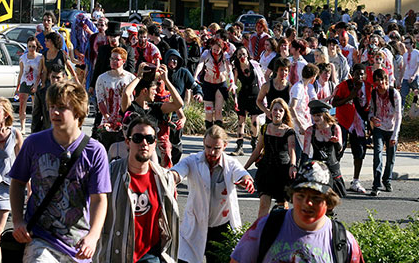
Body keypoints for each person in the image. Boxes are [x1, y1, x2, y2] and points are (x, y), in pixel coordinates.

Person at [10, 80, 111, 261]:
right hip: (40, 239)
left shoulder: (95, 151)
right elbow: (17, 182)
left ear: (78, 112)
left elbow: (99, 198)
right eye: (52, 106)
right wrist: (18, 221)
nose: (54, 112)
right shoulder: (33, 143)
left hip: (78, 245)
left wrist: (93, 236)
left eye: (62, 107)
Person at [230, 160, 364, 263]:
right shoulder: (265, 227)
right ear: (292, 195)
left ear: (329, 202)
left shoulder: (343, 241)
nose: (307, 203)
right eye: (300, 196)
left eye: (316, 198)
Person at [94, 116, 180, 263]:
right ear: (128, 142)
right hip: (116, 253)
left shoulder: (164, 179)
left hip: (149, 255)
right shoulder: (110, 173)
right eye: (138, 138)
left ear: (155, 144)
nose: (144, 143)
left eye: (150, 139)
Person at [171, 125, 254, 263]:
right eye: (208, 147)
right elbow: (178, 171)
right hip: (195, 225)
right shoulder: (193, 160)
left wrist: (246, 180)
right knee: (185, 260)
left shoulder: (231, 163)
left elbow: (242, 173)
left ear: (225, 146)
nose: (212, 152)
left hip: (221, 229)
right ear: (204, 142)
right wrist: (172, 178)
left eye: (217, 148)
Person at [121, 63, 184, 168]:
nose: (156, 93)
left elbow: (179, 104)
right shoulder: (130, 107)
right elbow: (126, 93)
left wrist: (166, 80)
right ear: (145, 91)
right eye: (154, 90)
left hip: (151, 153)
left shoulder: (155, 108)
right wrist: (139, 77)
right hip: (132, 152)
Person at [244, 98, 297, 217]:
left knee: (281, 207)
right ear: (270, 111)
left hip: (282, 171)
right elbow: (257, 150)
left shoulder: (289, 131)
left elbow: (292, 151)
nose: (277, 112)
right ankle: (259, 233)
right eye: (275, 110)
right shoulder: (265, 128)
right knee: (263, 205)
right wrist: (244, 168)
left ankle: (280, 232)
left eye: (280, 110)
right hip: (266, 170)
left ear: (284, 113)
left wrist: (293, 166)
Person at [332, 64, 372, 194]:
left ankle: (356, 181)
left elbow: (369, 105)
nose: (359, 77)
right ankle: (334, 179)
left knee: (359, 151)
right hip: (344, 121)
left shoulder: (367, 87)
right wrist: (350, 97)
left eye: (362, 74)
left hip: (359, 123)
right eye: (357, 74)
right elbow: (335, 103)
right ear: (352, 74)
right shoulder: (345, 85)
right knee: (339, 149)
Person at [0, 98, 23, 263]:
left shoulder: (14, 134)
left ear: (5, 114)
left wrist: (29, 187)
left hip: (6, 188)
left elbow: (23, 163)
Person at [302, 100, 347, 197]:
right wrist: (303, 168)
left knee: (332, 200)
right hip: (317, 167)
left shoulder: (335, 128)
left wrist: (335, 143)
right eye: (314, 115)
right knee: (317, 197)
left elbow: (339, 150)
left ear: (325, 114)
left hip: (332, 167)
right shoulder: (310, 130)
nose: (315, 118)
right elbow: (305, 152)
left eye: (318, 115)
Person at [95, 47, 137, 150]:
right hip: (107, 123)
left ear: (123, 61)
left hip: (125, 123)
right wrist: (108, 117)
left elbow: (134, 101)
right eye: (112, 59)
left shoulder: (130, 78)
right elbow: (100, 100)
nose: (113, 62)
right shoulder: (102, 78)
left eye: (117, 59)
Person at [368, 69, 402, 196]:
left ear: (386, 80)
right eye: (377, 80)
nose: (380, 83)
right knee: (377, 156)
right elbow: (371, 111)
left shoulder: (394, 94)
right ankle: (376, 184)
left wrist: (395, 135)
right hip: (379, 129)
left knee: (390, 158)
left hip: (392, 128)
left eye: (382, 80)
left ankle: (386, 179)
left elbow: (399, 116)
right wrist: (372, 118)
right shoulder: (374, 93)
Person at [289, 63, 319, 158]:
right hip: (298, 125)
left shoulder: (306, 87)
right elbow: (292, 107)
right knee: (301, 152)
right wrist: (300, 125)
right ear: (313, 77)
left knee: (308, 151)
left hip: (305, 122)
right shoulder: (298, 87)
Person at [16, 36, 42, 133]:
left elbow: (40, 73)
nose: (31, 49)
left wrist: (36, 85)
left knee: (35, 106)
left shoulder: (40, 57)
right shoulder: (23, 58)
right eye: (29, 46)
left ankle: (34, 126)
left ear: (36, 47)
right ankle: (22, 127)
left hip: (35, 82)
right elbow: (21, 72)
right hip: (24, 82)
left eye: (33, 47)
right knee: (22, 105)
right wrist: (17, 86)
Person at [400, 35, 419, 108]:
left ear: (412, 44)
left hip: (416, 77)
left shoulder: (417, 53)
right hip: (406, 77)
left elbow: (418, 66)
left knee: (418, 94)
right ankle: (402, 110)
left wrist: (414, 75)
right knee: (402, 95)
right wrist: (400, 79)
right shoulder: (404, 55)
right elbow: (404, 67)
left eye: (407, 43)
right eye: (405, 43)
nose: (406, 45)